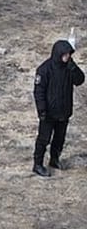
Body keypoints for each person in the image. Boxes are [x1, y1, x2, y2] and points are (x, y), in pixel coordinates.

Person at [33, 40, 82, 177]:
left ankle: (55, 159)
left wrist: (73, 68)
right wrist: (41, 110)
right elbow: (39, 92)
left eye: (69, 54)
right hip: (48, 113)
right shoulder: (44, 69)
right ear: (58, 54)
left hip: (64, 111)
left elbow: (80, 80)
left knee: (59, 139)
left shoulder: (69, 67)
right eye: (65, 54)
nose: (67, 57)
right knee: (44, 139)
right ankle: (37, 164)